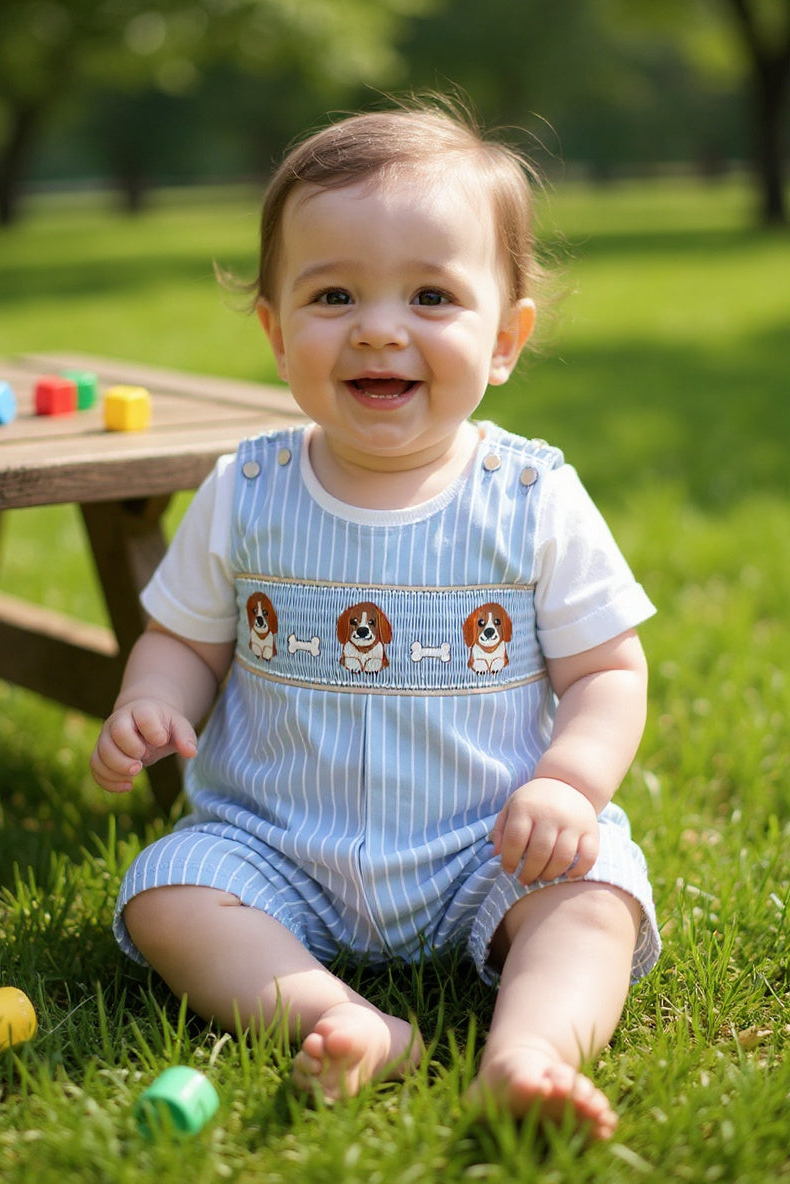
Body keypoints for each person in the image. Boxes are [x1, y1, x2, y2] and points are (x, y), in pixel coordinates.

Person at [91, 99, 660, 1141]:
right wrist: (149, 698)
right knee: (165, 892)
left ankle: (526, 1047)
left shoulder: (530, 494)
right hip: (275, 844)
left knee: (596, 895)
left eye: (432, 294)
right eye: (334, 292)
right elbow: (183, 636)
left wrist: (568, 783)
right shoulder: (245, 487)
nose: (379, 326)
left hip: (489, 842)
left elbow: (608, 672)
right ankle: (336, 1013)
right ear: (274, 330)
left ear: (504, 338)